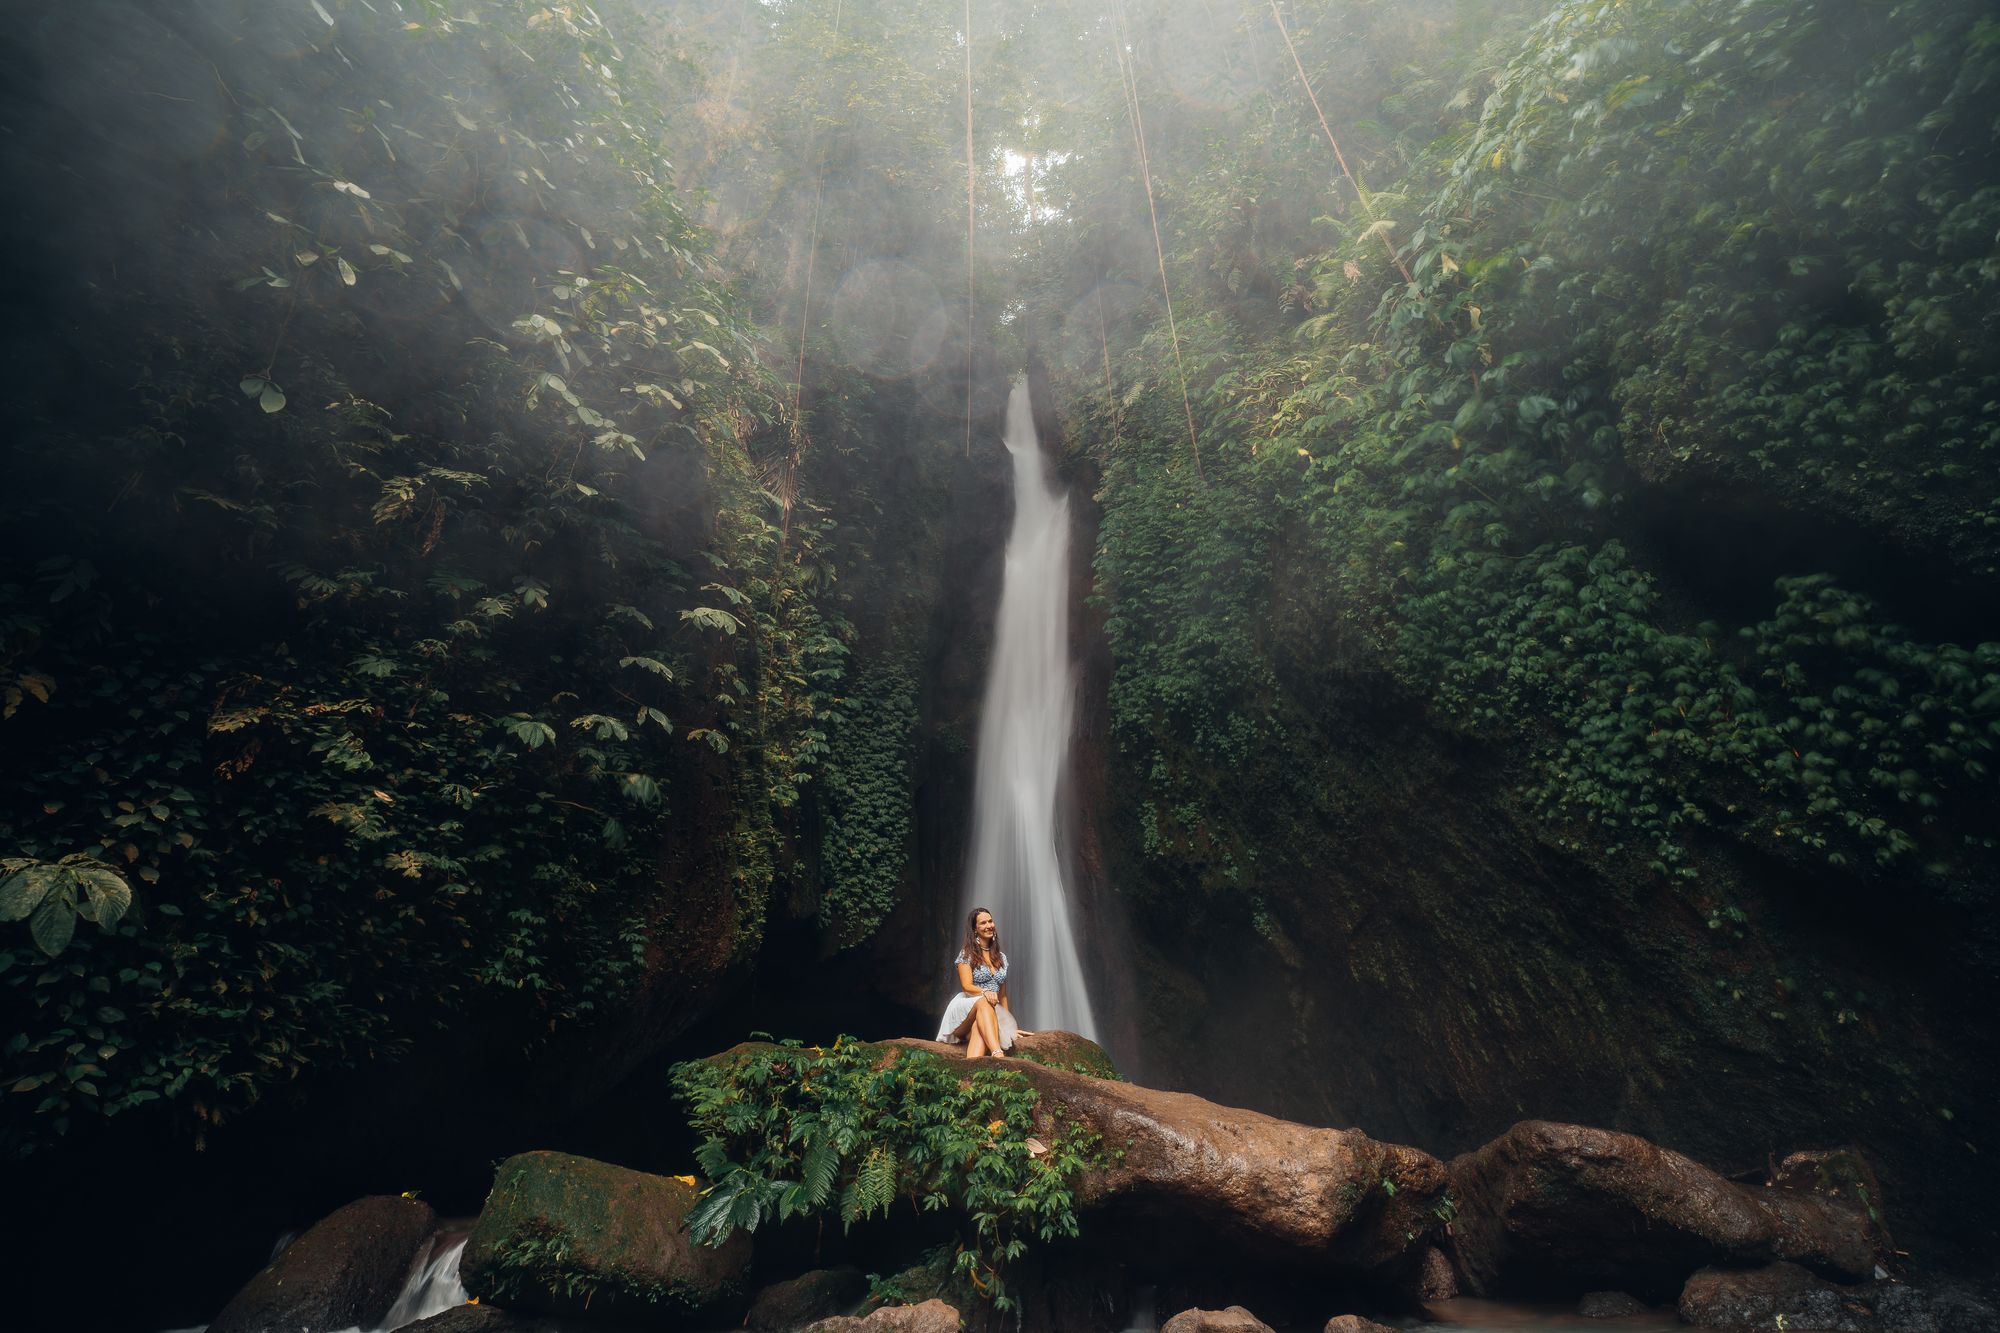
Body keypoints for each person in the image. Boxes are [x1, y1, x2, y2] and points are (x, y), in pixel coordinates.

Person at [935, 907, 1033, 1058]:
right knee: (984, 1002)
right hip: (967, 1008)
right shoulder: (966, 954)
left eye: (990, 921)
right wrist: (985, 993)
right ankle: (997, 1053)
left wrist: (1009, 1026)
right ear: (975, 929)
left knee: (978, 1029)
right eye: (983, 923)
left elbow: (1003, 995)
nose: (989, 925)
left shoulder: (1001, 958)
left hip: (987, 1014)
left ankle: (970, 1074)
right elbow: (966, 986)